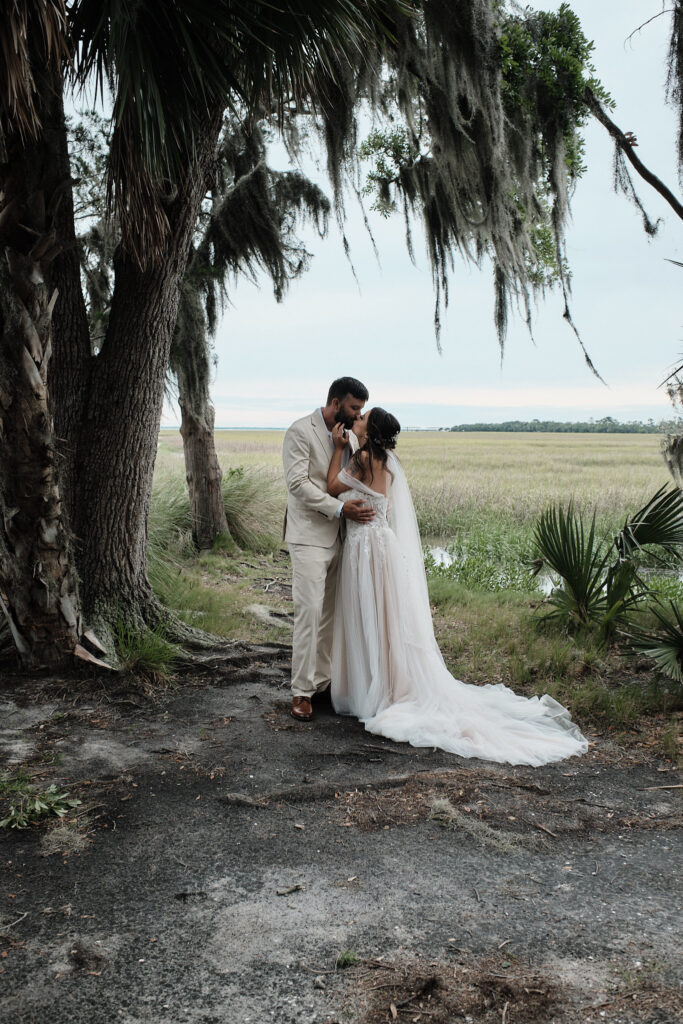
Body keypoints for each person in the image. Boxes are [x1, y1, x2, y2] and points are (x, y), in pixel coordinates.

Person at [326, 407, 588, 766]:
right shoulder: (388, 462)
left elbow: (331, 488)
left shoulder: (360, 458)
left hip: (364, 549)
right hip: (383, 547)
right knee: (386, 618)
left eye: (362, 419)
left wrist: (338, 450)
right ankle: (384, 683)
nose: (356, 420)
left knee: (366, 613)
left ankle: (370, 689)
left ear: (369, 433)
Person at [282, 377, 375, 721]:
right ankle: (300, 692)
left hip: (342, 537)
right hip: (308, 537)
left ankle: (321, 683)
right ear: (336, 403)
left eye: (361, 409)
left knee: (330, 616)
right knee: (308, 612)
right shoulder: (299, 431)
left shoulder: (348, 437)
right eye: (354, 407)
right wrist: (339, 509)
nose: (357, 414)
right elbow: (297, 484)